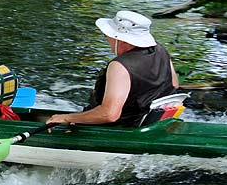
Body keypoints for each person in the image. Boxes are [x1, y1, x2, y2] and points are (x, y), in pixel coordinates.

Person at [46, 11, 179, 127]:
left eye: (107, 35)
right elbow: (174, 84)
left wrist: (65, 118)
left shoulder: (120, 66)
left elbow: (109, 115)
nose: (107, 38)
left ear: (121, 39)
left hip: (122, 127)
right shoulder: (160, 50)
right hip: (151, 121)